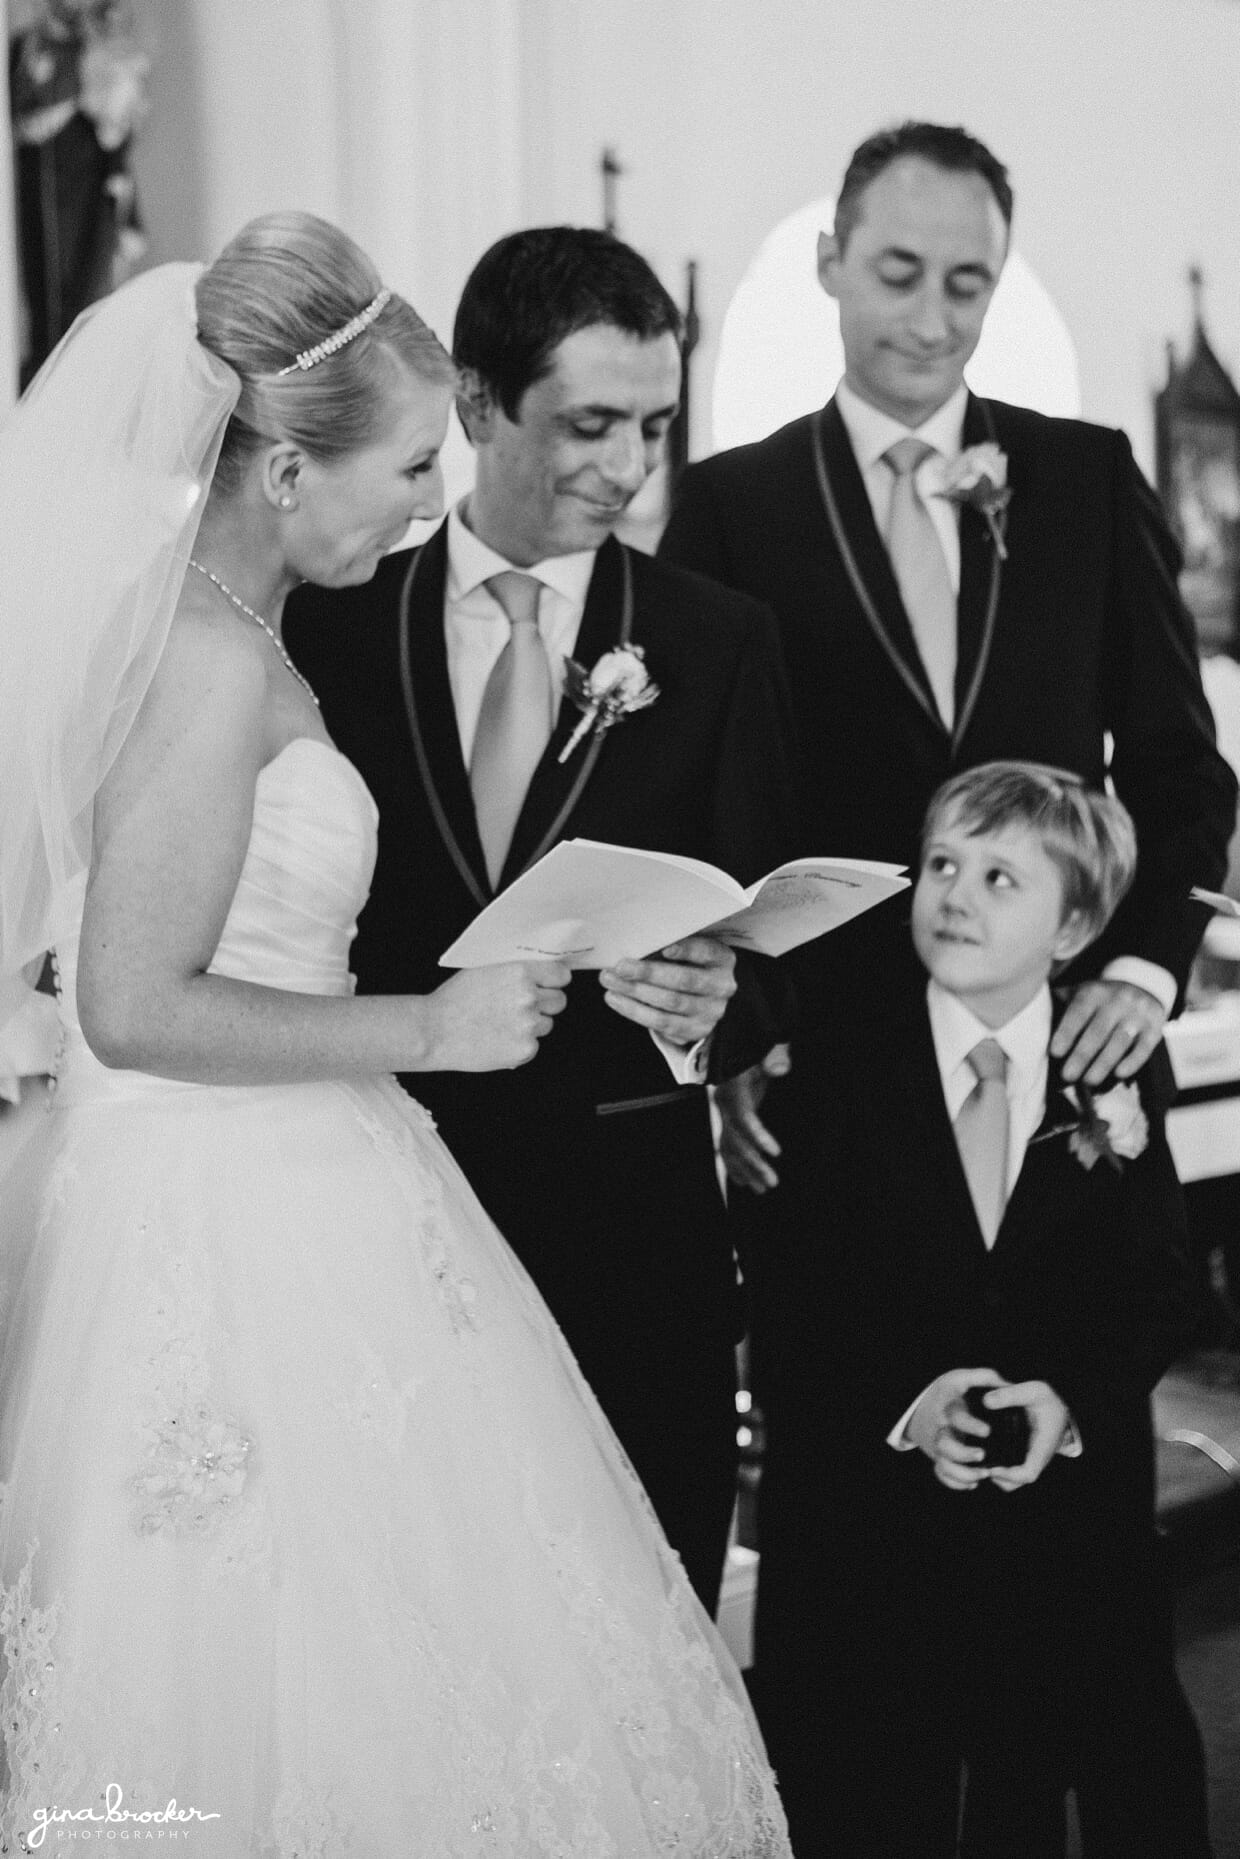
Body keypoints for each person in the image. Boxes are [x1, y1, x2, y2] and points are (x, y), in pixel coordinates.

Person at [0, 214, 791, 1857]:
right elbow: (130, 1003)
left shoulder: (227, 623)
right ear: (289, 469)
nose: (433, 502)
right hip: (231, 1218)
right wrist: (428, 1019)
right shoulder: (211, 663)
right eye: (417, 463)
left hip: (328, 1170)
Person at [284, 225, 795, 1615]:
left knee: (644, 1612)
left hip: (634, 1230)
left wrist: (718, 1007)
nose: (629, 467)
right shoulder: (329, 618)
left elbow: (759, 935)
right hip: (386, 1204)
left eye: (653, 426)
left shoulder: (718, 637)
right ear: (474, 404)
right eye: (589, 423)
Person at [658, 120, 1237, 1187]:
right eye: (897, 273)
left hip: (1066, 1051)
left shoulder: (1086, 479)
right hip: (821, 1068)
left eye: (966, 285)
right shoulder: (731, 505)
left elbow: (1180, 770)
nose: (931, 321)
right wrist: (725, 1037)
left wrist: (1146, 968)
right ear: (830, 262)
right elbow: (699, 807)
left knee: (1081, 1349)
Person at [741, 761, 1211, 1858]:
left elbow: (1158, 1284)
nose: (955, 892)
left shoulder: (1117, 1071)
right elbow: (795, 1280)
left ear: (1075, 925)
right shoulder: (838, 1059)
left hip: (1070, 1528)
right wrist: (913, 1399)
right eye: (943, 862)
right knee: (874, 1786)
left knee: (1072, 1771)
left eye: (1002, 877)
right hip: (875, 1524)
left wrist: (1072, 1398)